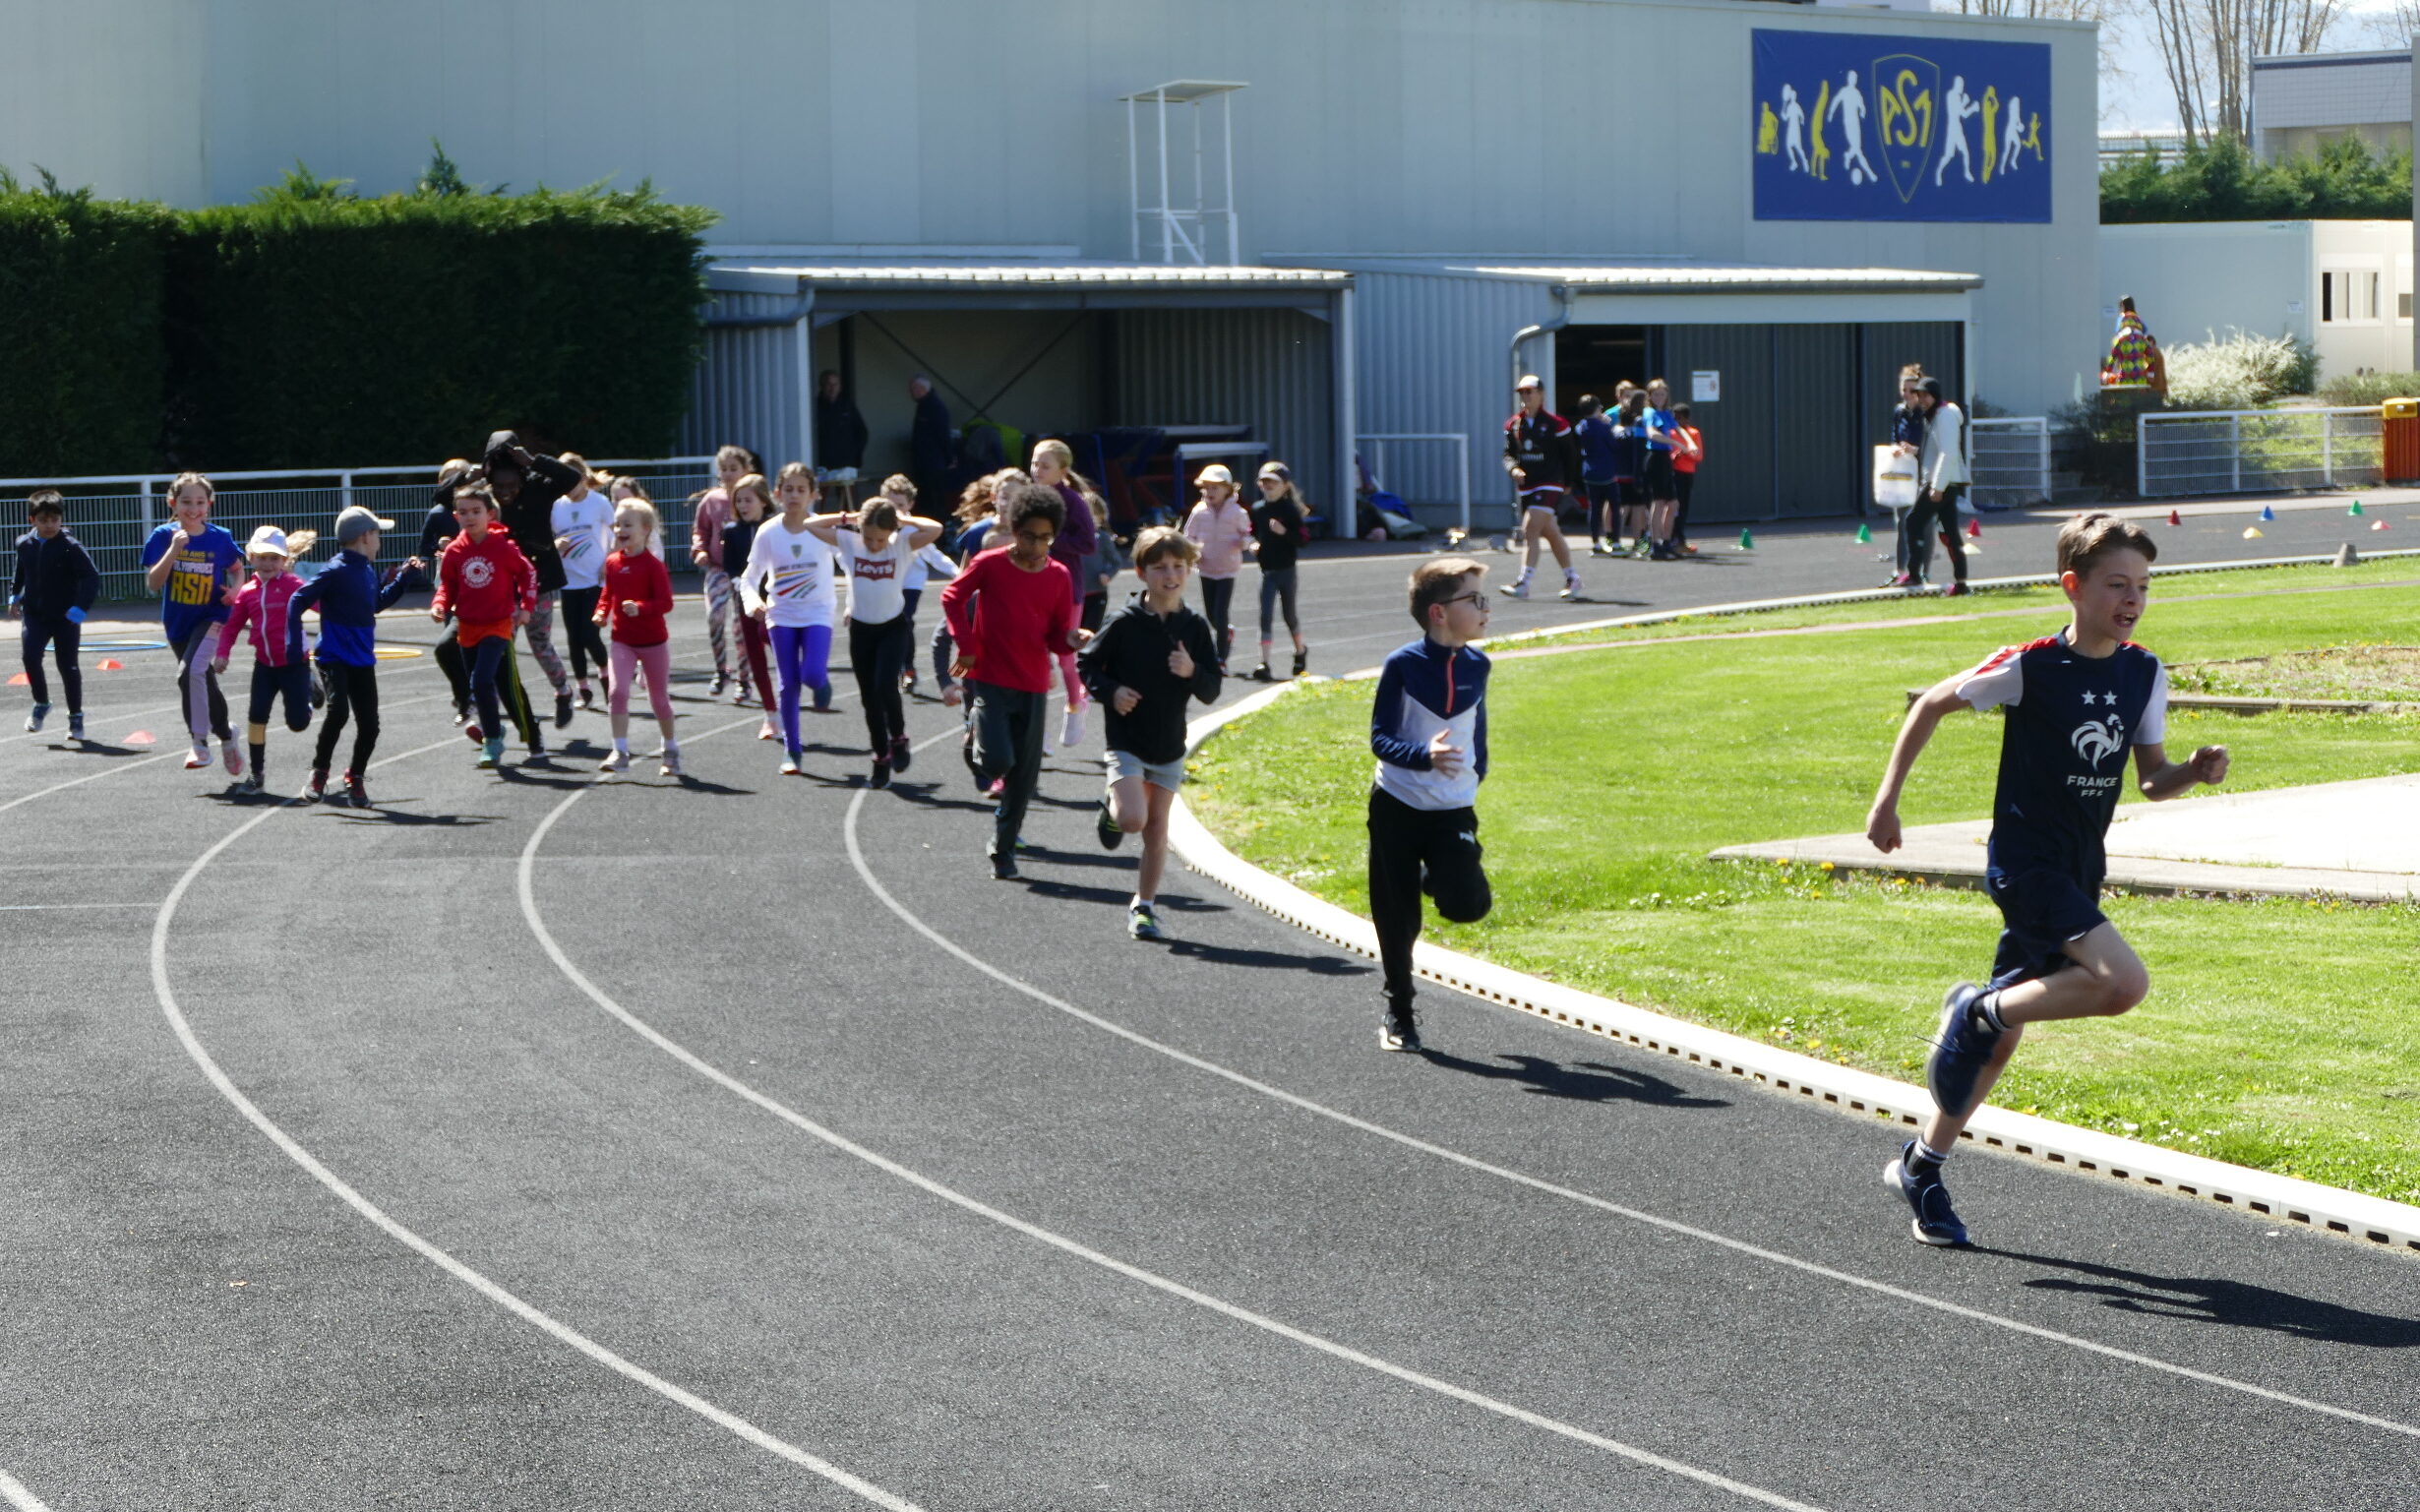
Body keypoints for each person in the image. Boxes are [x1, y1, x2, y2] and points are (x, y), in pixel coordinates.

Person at [1867, 513, 2227, 1245]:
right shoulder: (2030, 665)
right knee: (2121, 983)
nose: (2133, 598)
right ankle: (1975, 1010)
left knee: (2005, 1032)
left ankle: (1922, 1162)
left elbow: (2152, 778)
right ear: (2074, 586)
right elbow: (1933, 703)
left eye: (2143, 586)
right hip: (2025, 864)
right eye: (2116, 584)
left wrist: (2190, 769)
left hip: (2079, 869)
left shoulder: (2144, 671)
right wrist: (1886, 799)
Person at [1368, 558, 1494, 1052]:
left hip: (1453, 808)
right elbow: (1380, 738)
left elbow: (1476, 728)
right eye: (1475, 600)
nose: (1486, 609)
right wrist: (1424, 755)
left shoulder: (1479, 665)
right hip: (1397, 805)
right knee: (1398, 918)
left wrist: (1476, 772)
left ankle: (1432, 875)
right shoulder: (1402, 665)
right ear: (1439, 612)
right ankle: (1400, 1011)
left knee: (1469, 905)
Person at [1079, 525, 1222, 940]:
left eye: (1179, 566)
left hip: (1169, 745)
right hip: (1127, 739)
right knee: (1132, 820)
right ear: (1141, 572)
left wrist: (1192, 670)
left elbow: (1212, 689)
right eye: (1160, 567)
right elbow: (1087, 665)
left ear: (1190, 570)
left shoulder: (1195, 628)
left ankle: (1144, 906)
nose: (1170, 575)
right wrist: (1111, 691)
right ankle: (1112, 806)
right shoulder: (1123, 623)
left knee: (1157, 831)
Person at [940, 483, 1086, 879]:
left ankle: (1003, 851)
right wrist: (966, 644)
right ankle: (975, 736)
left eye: (1045, 538)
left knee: (1023, 778)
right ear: (1014, 528)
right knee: (997, 760)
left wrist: (1071, 640)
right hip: (988, 676)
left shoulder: (1058, 576)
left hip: (1034, 684)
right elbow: (952, 597)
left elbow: (1057, 634)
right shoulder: (990, 563)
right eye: (1028, 536)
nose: (1037, 546)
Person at [288, 507, 420, 807]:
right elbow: (298, 599)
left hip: (361, 658)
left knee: (370, 725)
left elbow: (375, 603)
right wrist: (293, 639)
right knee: (338, 712)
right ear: (365, 536)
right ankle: (319, 772)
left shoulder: (365, 570)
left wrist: (404, 578)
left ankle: (355, 777)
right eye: (377, 535)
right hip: (333, 655)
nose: (379, 542)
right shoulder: (336, 570)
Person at [830, 498, 946, 787]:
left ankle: (898, 738)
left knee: (885, 685)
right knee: (869, 699)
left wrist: (902, 520)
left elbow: (936, 528)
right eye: (868, 538)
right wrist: (851, 516)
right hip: (861, 628)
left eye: (880, 539)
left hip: (893, 627)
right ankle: (880, 756)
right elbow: (810, 525)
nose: (873, 545)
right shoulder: (850, 543)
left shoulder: (901, 544)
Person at [737, 465, 842, 775]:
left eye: (801, 490)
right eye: (788, 490)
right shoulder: (769, 532)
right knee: (788, 684)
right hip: (780, 614)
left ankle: (821, 684)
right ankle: (792, 749)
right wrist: (752, 601)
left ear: (814, 495)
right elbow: (749, 577)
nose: (794, 496)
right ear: (777, 494)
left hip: (817, 612)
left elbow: (849, 562)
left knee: (810, 673)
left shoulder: (823, 529)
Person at [141, 472, 247, 774]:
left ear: (209, 505)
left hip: (212, 617)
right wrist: (174, 550)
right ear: (173, 503)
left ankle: (199, 743)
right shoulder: (163, 537)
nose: (193, 508)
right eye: (186, 502)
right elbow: (153, 583)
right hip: (178, 623)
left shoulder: (220, 537)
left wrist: (237, 589)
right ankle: (227, 736)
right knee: (202, 680)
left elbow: (239, 570)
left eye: (200, 502)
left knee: (188, 674)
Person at [431, 480, 537, 771]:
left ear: (490, 514)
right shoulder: (454, 552)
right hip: (467, 625)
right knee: (479, 681)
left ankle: (491, 739)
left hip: (499, 624)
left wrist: (526, 607)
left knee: (481, 681)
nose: (470, 517)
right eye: (463, 512)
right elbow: (447, 586)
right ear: (456, 517)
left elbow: (528, 574)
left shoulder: (503, 547)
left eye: (476, 511)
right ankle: (496, 731)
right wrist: (439, 605)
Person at [482, 431, 582, 728]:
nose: (505, 493)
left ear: (521, 478)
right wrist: (476, 470)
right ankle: (490, 711)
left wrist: (534, 460)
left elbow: (572, 480)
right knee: (499, 648)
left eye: (511, 486)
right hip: (500, 585)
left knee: (540, 644)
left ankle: (563, 691)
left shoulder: (539, 485)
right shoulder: (483, 493)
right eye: (499, 486)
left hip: (540, 580)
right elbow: (444, 497)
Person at [212, 526, 320, 794]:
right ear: (251, 557)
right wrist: (223, 653)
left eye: (274, 558)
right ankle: (257, 775)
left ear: (284, 560)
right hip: (265, 666)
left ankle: (311, 686)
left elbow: (321, 606)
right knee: (256, 717)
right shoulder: (247, 592)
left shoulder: (294, 586)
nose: (268, 563)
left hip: (294, 663)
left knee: (298, 723)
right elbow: (232, 626)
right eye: (262, 557)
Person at [594, 499, 682, 777]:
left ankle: (670, 748)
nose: (620, 529)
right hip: (623, 640)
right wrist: (601, 612)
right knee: (618, 692)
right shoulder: (612, 563)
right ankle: (619, 751)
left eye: (627, 524)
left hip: (653, 641)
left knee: (659, 699)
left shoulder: (653, 566)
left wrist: (640, 608)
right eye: (617, 524)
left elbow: (666, 603)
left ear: (645, 529)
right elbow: (608, 594)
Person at [11, 490, 99, 741]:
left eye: (54, 520)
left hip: (65, 618)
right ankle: (41, 704)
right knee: (29, 657)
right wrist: (14, 595)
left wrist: (81, 607)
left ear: (61, 519)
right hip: (35, 614)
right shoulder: (23, 544)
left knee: (68, 666)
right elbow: (21, 570)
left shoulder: (71, 547)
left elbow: (91, 577)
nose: (50, 525)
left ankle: (75, 717)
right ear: (32, 520)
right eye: (43, 520)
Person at [1029, 439, 1101, 749]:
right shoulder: (1028, 497)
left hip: (1067, 589)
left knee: (1065, 659)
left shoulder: (1073, 502)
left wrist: (1050, 540)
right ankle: (1037, 731)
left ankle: (1075, 705)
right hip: (1031, 587)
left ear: (1063, 470)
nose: (1037, 470)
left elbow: (1088, 543)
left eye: (1045, 466)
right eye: (1034, 463)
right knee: (1034, 658)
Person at [1501, 375, 1580, 599]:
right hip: (1528, 486)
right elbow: (1508, 454)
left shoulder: (1557, 424)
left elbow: (1570, 455)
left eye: (1530, 391)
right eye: (1522, 392)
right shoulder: (1514, 424)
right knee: (1551, 533)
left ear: (1541, 394)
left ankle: (1523, 583)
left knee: (1529, 529)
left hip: (1550, 483)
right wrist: (1513, 469)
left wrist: (1568, 483)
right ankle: (1572, 578)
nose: (1525, 396)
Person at [550, 454, 616, 710]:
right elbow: (548, 539)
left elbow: (616, 535)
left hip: (594, 579)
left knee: (590, 634)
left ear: (582, 477)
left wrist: (608, 563)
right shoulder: (557, 506)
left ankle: (607, 678)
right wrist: (556, 545)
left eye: (571, 480)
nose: (568, 487)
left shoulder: (599, 503)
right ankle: (583, 689)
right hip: (569, 581)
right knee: (573, 638)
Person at [691, 445, 752, 700]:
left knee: (741, 626)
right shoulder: (711, 500)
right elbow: (700, 530)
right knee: (714, 616)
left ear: (746, 471)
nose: (727, 474)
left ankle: (744, 679)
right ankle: (720, 669)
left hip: (745, 571)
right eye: (723, 469)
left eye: (733, 469)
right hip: (717, 569)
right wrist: (700, 550)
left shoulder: (751, 499)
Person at [1903, 377, 1971, 594]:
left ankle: (1915, 574)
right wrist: (1914, 451)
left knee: (1913, 522)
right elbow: (1934, 450)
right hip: (1942, 481)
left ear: (1935, 396)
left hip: (1941, 483)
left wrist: (1937, 487)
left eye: (1925, 395)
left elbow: (1948, 453)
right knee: (1949, 533)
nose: (1921, 399)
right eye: (1919, 395)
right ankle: (1961, 583)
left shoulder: (1944, 416)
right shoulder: (1934, 416)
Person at [1180, 464, 1252, 670]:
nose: (1210, 492)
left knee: (1221, 612)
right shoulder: (1199, 511)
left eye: (1215, 488)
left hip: (1227, 569)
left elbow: (1247, 535)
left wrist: (1243, 543)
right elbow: (1189, 536)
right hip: (1206, 568)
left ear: (1228, 489)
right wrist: (1192, 553)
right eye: (1207, 488)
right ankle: (1226, 632)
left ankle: (1221, 658)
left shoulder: (1237, 512)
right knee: (1211, 614)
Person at [1247, 460, 1310, 680]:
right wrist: (1253, 544)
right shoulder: (1258, 509)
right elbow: (1252, 532)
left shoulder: (1290, 510)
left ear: (1284, 486)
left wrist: (1284, 531)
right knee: (1265, 615)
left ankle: (1300, 651)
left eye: (1273, 482)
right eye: (1264, 482)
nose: (1267, 486)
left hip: (1287, 570)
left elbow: (1303, 539)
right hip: (1266, 571)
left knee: (1289, 614)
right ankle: (1264, 662)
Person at [1885, 365, 1929, 586]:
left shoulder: (1925, 414)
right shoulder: (1899, 411)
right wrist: (1895, 447)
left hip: (1922, 473)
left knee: (1922, 523)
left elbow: (1929, 443)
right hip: (1903, 472)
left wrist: (1916, 449)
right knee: (1901, 521)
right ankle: (1900, 569)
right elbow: (1894, 435)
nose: (1907, 395)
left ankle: (1922, 571)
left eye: (1912, 391)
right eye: (1904, 390)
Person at [1640, 379, 1684, 562]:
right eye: (1656, 394)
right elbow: (1652, 434)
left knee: (1673, 504)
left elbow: (1680, 430)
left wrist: (1689, 444)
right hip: (1655, 458)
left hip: (1665, 460)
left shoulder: (1666, 414)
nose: (1659, 397)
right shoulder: (1649, 412)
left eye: (1662, 394)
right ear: (1650, 396)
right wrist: (1674, 442)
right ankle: (1655, 544)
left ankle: (1666, 542)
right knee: (1658, 503)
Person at [1572, 395, 1620, 558]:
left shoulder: (1582, 427)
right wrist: (1607, 425)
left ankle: (1595, 543)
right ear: (1597, 409)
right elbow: (1614, 445)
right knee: (1614, 506)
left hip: (1590, 472)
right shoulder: (1603, 427)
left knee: (1594, 508)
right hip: (1606, 471)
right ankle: (1615, 542)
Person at [910, 375, 954, 514]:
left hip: (934, 463)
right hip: (923, 462)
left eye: (914, 389)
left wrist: (949, 458)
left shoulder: (935, 407)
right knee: (925, 497)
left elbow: (943, 435)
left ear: (922, 389)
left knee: (935, 498)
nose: (911, 393)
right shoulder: (923, 405)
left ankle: (940, 527)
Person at [815, 369, 870, 473]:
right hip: (822, 464)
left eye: (835, 384)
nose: (832, 388)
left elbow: (862, 432)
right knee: (820, 490)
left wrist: (853, 453)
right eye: (829, 385)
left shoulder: (847, 406)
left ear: (840, 387)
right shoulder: (814, 407)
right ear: (822, 386)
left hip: (846, 464)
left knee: (847, 489)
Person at [1670, 402, 1704, 555]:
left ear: (1687, 418)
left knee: (1683, 508)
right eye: (1675, 417)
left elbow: (1698, 456)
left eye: (1680, 417)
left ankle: (1680, 538)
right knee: (1672, 507)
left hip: (1686, 474)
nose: (1677, 420)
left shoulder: (1694, 433)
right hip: (1673, 473)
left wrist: (1685, 453)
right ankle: (1671, 538)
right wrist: (1673, 456)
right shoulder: (1670, 433)